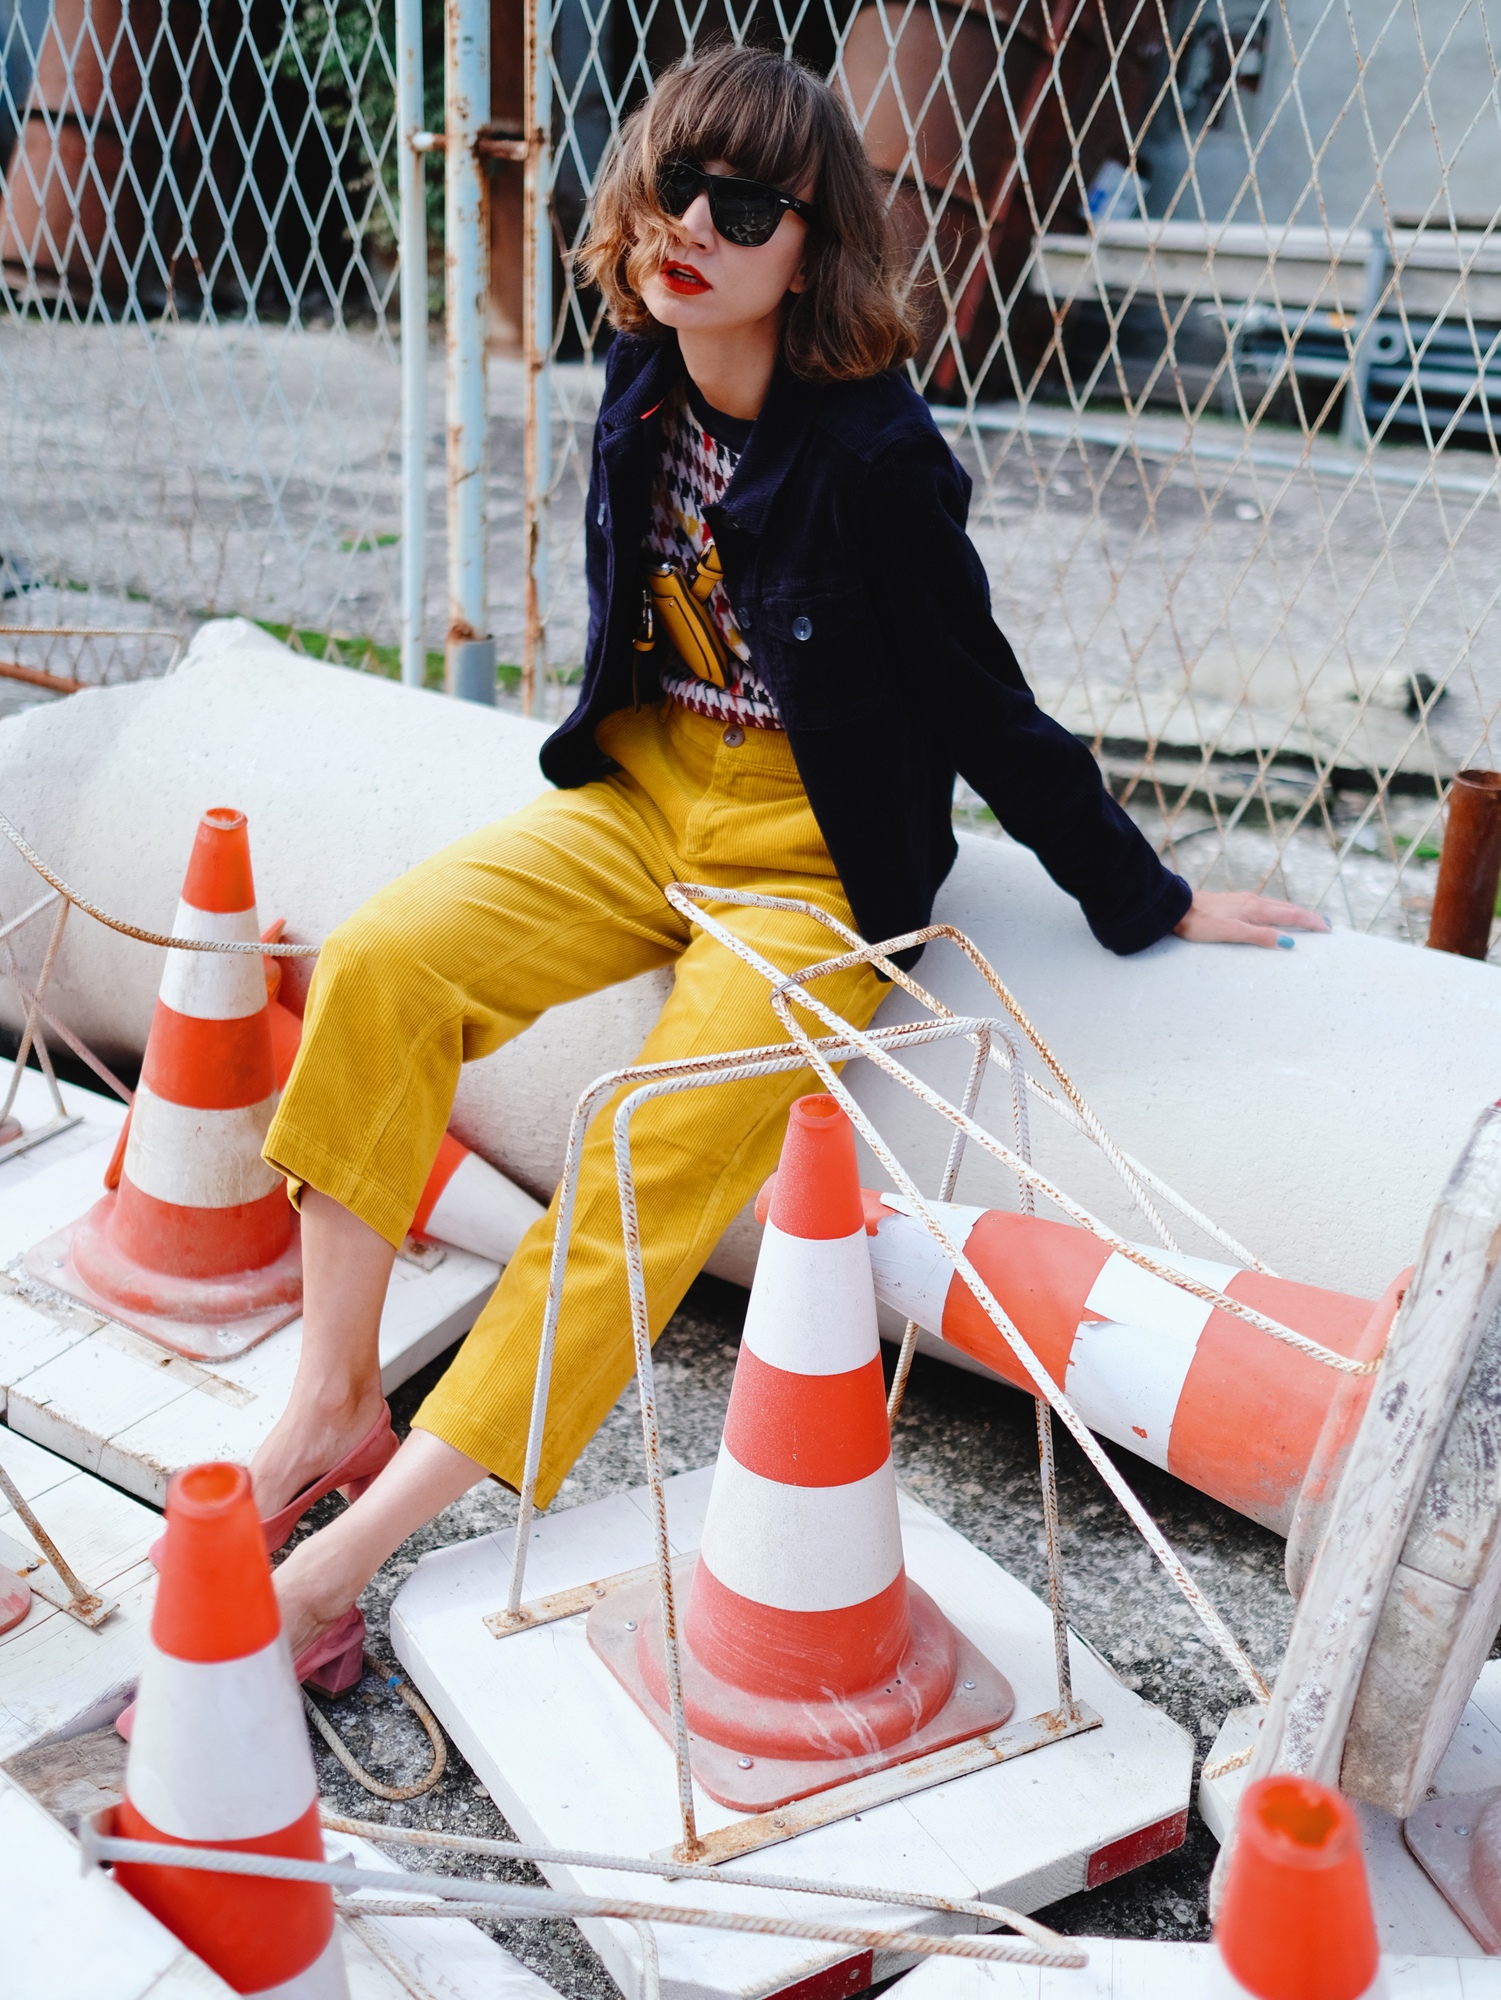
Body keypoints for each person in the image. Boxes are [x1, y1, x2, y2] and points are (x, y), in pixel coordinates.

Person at [257, 44, 1327, 1679]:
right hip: (646, 788)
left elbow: (977, 697)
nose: (690, 225)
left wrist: (1144, 892)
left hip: (810, 854)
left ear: (812, 248)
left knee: (646, 1159)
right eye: (670, 183)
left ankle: (344, 1559)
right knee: (385, 962)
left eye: (744, 207)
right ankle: (331, 1391)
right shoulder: (641, 365)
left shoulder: (875, 460)